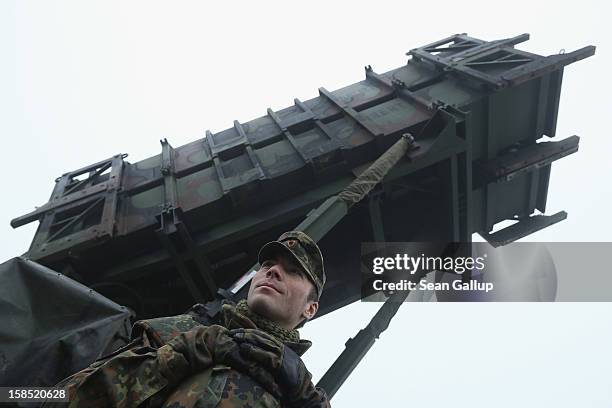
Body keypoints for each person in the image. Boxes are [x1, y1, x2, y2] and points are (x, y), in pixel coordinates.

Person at [43, 231, 331, 408]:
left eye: (293, 271)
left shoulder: (297, 391)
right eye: (268, 264)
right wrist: (182, 354)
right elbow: (63, 399)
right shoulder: (179, 332)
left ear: (310, 308)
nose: (273, 272)